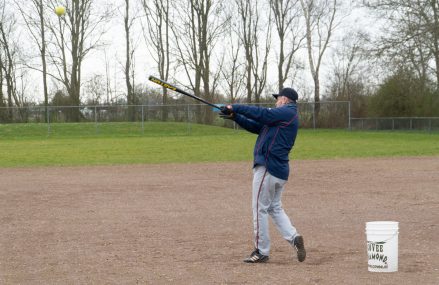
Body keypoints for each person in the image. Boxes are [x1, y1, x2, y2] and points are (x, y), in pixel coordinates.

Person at [219, 87, 306, 263]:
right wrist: (234, 116)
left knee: (260, 208)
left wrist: (234, 107)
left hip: (268, 167)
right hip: (278, 169)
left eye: (278, 98)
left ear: (285, 99)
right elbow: (256, 126)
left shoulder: (286, 112)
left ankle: (261, 251)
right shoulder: (283, 117)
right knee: (274, 207)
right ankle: (294, 237)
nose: (276, 102)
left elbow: (261, 114)